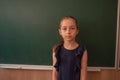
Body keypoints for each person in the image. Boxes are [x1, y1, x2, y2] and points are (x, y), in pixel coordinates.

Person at [52, 16, 88, 80]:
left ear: (77, 31)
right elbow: (54, 72)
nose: (68, 32)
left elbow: (83, 72)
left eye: (72, 28)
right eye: (64, 28)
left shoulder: (82, 50)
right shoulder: (57, 50)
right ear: (60, 31)